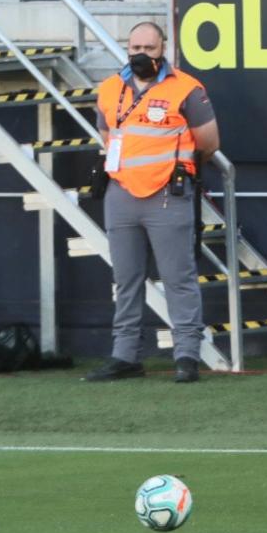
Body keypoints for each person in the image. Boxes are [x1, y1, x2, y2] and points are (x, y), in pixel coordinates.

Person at [85, 22, 220, 384]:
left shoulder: (187, 89)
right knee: (125, 280)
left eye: (149, 47)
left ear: (164, 49)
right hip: (121, 193)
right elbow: (107, 135)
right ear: (126, 49)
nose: (141, 54)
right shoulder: (110, 88)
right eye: (135, 47)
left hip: (168, 195)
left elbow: (208, 142)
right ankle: (125, 356)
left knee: (178, 279)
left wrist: (177, 168)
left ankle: (187, 356)